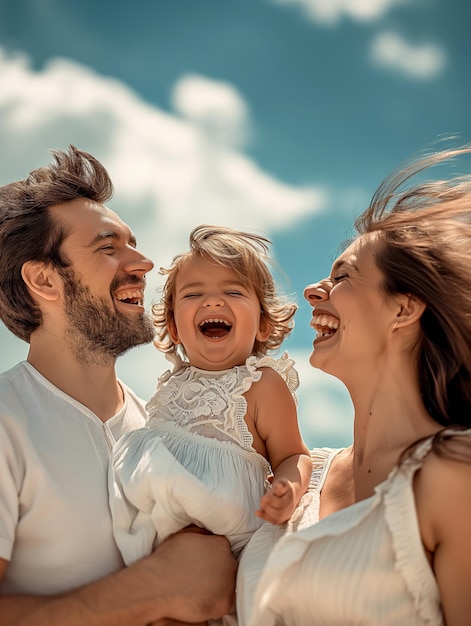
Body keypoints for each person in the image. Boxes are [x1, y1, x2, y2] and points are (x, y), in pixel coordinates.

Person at [0, 146, 236, 626]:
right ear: (44, 279)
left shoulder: (161, 425)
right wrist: (155, 591)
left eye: (133, 243)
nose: (144, 263)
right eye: (108, 248)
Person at [238, 146, 471, 626]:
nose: (312, 291)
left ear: (402, 310)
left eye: (343, 276)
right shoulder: (299, 477)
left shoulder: (453, 474)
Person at [109, 225, 313, 576]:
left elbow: (294, 454)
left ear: (263, 325)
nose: (213, 301)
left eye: (233, 291)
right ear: (173, 328)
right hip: (151, 537)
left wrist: (288, 488)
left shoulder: (261, 384)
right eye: (192, 295)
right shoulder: (172, 384)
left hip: (223, 537)